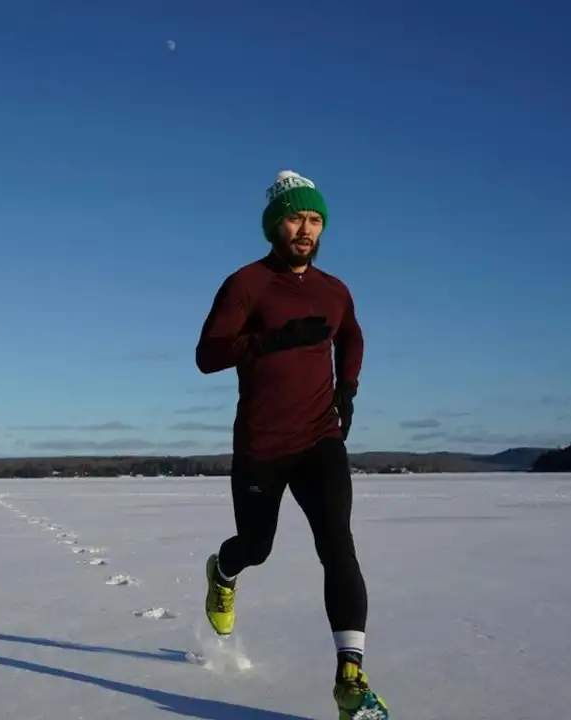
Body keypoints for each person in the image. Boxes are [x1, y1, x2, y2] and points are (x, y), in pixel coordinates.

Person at [194, 170, 388, 720]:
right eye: (297, 217)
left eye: (316, 219)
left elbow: (351, 332)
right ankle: (224, 572)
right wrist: (274, 340)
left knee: (338, 546)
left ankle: (350, 679)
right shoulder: (246, 284)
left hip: (319, 438)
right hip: (262, 443)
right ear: (275, 223)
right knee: (256, 546)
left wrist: (347, 390)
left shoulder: (334, 290)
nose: (307, 228)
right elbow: (208, 354)